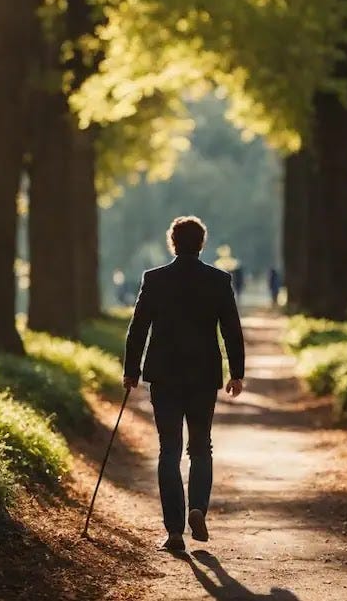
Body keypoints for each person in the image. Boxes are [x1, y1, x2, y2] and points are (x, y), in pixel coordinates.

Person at [123, 215, 245, 553]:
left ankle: (174, 531)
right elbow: (231, 330)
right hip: (204, 375)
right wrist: (237, 372)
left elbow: (138, 328)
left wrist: (131, 370)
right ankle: (198, 508)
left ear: (172, 243)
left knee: (169, 450)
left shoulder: (154, 279)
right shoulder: (219, 281)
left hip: (164, 375)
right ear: (202, 244)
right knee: (201, 447)